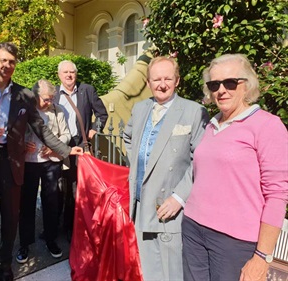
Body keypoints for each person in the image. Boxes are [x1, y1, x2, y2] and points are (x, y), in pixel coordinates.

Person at [0, 43, 82, 281]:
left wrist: (67, 150)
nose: (7, 66)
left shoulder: (24, 94)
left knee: (10, 216)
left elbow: (41, 128)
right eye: (3, 60)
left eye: (12, 62)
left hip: (12, 162)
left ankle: (5, 264)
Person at [182, 53, 288, 281]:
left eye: (230, 82)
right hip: (193, 229)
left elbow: (277, 195)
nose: (221, 90)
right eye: (214, 84)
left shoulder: (267, 126)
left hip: (234, 242)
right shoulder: (210, 125)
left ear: (246, 85)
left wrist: (262, 256)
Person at [123, 56, 209, 281]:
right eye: (156, 79)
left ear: (177, 80)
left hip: (170, 210)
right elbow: (128, 136)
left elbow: (201, 160)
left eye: (168, 78)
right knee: (149, 273)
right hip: (141, 205)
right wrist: (140, 165)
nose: (162, 84)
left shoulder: (194, 111)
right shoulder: (140, 108)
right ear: (148, 82)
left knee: (171, 275)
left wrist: (179, 197)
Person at [16, 79, 71, 264]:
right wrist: (23, 144)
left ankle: (50, 239)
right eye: (46, 99)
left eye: (52, 99)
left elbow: (67, 134)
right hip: (29, 162)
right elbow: (13, 134)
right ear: (36, 95)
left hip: (50, 162)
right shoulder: (25, 110)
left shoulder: (57, 110)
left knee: (51, 202)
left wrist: (54, 147)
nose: (50, 102)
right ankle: (24, 244)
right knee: (26, 205)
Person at [54, 60, 108, 239]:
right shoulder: (53, 93)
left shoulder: (87, 90)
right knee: (58, 187)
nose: (69, 75)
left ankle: (73, 228)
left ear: (76, 74)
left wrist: (94, 129)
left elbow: (102, 113)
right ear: (59, 75)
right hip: (59, 146)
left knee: (77, 188)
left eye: (72, 72)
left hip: (80, 146)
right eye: (65, 72)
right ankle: (56, 225)